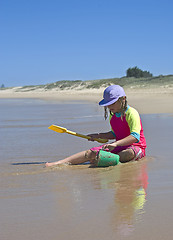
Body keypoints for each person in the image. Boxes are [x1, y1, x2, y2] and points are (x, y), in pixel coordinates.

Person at [46, 85, 146, 167]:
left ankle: (104, 160)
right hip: (119, 145)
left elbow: (135, 137)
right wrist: (99, 135)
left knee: (128, 153)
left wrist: (115, 144)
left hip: (136, 147)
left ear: (123, 99)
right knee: (91, 153)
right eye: (108, 104)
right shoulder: (113, 115)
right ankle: (60, 163)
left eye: (112, 103)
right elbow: (115, 134)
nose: (109, 107)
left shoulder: (132, 113)